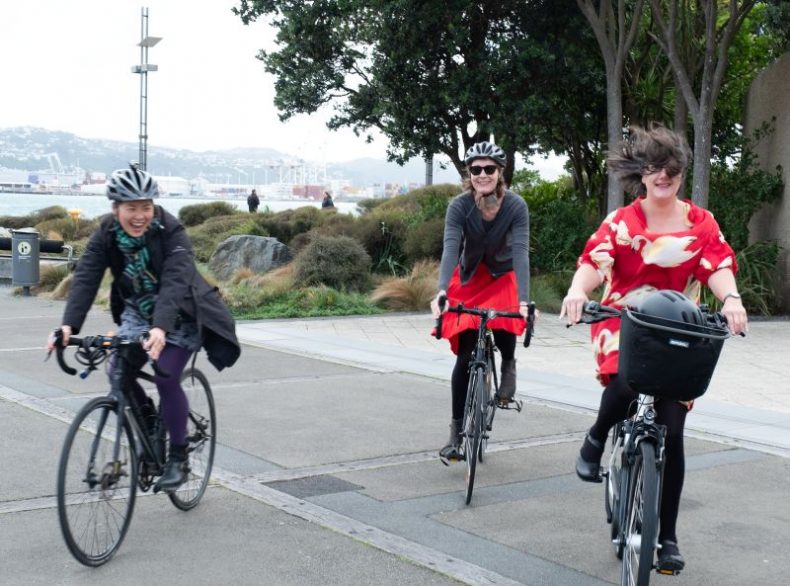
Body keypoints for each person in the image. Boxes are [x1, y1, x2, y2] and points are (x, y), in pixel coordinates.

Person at [559, 125, 748, 572]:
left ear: (681, 173)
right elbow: (594, 261)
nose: (662, 176)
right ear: (641, 175)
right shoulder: (622, 223)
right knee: (627, 379)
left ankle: (667, 537)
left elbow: (716, 264)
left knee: (674, 430)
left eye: (671, 168)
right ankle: (596, 437)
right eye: (653, 168)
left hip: (680, 328)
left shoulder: (701, 223)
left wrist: (732, 299)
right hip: (625, 321)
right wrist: (576, 291)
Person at [47, 164, 241, 493]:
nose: (140, 216)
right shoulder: (107, 232)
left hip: (181, 311)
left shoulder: (171, 229)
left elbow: (176, 281)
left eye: (146, 207)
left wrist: (161, 328)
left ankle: (178, 457)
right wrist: (68, 325)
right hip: (138, 311)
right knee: (117, 373)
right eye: (131, 208)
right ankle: (150, 421)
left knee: (166, 374)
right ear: (115, 209)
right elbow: (87, 275)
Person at [430, 140, 530, 463]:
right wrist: (442, 290)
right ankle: (456, 433)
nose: (483, 174)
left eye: (489, 169)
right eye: (476, 169)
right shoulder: (459, 207)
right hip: (470, 278)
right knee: (464, 354)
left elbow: (521, 253)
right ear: (469, 174)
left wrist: (525, 301)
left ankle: (509, 363)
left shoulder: (516, 206)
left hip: (502, 276)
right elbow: (449, 249)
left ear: (500, 173)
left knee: (505, 319)